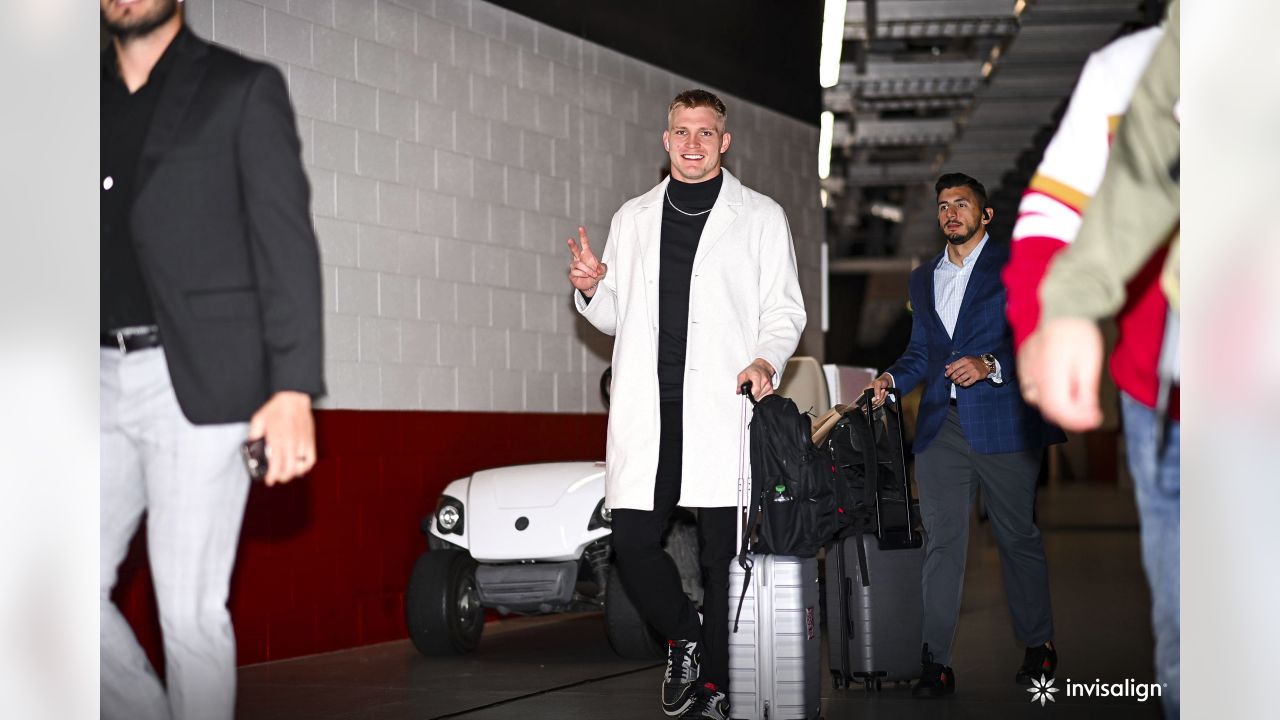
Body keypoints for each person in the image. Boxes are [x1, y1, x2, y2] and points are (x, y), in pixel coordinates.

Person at [100, 1, 325, 719]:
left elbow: (285, 243)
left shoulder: (239, 88)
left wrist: (291, 386)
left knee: (190, 614)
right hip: (88, 378)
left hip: (194, 380)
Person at [567, 89, 806, 719]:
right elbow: (619, 316)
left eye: (705, 133)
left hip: (721, 408)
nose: (692, 144)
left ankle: (717, 686)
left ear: (724, 143)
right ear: (665, 139)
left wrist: (766, 358)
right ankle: (686, 635)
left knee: (720, 556)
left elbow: (784, 310)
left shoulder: (760, 216)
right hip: (651, 411)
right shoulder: (634, 217)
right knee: (633, 541)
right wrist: (593, 289)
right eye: (681, 132)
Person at [1019, 3, 1180, 714]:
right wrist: (1050, 320)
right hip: (1168, 400)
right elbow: (1054, 216)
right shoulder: (1126, 71)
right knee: (1195, 641)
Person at [867, 173, 1065, 698]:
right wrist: (890, 379)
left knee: (1016, 537)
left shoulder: (1015, 266)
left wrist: (990, 363)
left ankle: (1038, 645)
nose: (951, 212)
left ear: (986, 215)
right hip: (941, 428)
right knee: (942, 544)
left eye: (962, 204)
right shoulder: (923, 278)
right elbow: (920, 355)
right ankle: (936, 661)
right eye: (943, 205)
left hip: (1006, 421)